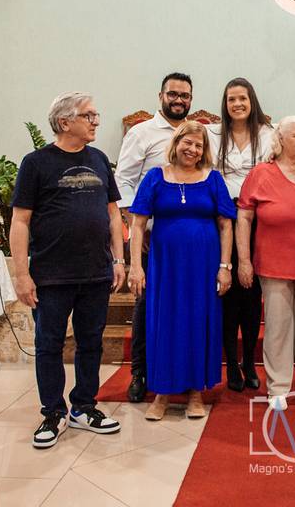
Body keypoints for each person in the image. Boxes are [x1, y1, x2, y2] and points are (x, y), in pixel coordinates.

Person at [10, 92, 124, 449]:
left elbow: (113, 214)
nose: (96, 121)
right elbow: (20, 221)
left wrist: (119, 260)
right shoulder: (36, 163)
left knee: (91, 343)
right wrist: (22, 274)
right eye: (89, 115)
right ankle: (53, 412)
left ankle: (84, 407)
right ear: (64, 122)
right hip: (51, 274)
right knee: (49, 345)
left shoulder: (99, 159)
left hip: (96, 272)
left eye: (95, 115)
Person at [127, 121, 236, 421]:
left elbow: (226, 225)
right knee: (164, 322)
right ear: (176, 143)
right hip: (165, 267)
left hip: (204, 266)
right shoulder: (155, 177)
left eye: (199, 145)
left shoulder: (213, 179)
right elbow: (138, 224)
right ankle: (162, 393)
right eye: (188, 142)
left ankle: (196, 392)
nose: (193, 149)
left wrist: (225, 267)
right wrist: (135, 266)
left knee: (199, 321)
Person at [237, 116, 295, 411]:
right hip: (272, 262)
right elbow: (244, 218)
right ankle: (278, 387)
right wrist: (243, 260)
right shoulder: (260, 173)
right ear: (280, 140)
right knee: (278, 327)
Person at [115, 72, 194, 402]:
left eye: (184, 95)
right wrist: (137, 224)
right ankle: (140, 372)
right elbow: (123, 181)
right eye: (173, 94)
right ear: (161, 96)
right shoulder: (142, 133)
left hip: (189, 241)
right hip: (151, 237)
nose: (178, 100)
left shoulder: (197, 134)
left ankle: (182, 371)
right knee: (147, 305)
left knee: (184, 306)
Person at [208, 77, 273, 392]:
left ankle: (249, 362)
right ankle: (231, 363)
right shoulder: (211, 135)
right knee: (227, 295)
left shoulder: (269, 135)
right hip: (222, 221)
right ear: (225, 103)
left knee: (251, 296)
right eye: (231, 99)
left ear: (252, 101)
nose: (237, 104)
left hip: (258, 223)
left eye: (242, 99)